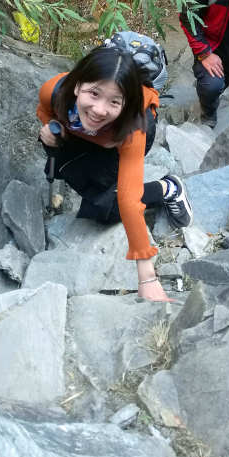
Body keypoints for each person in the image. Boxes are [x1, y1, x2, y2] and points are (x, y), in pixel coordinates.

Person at [37, 46, 193, 302]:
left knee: (106, 208)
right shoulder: (54, 91)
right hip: (83, 132)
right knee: (67, 162)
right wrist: (53, 133)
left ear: (126, 103)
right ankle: (95, 171)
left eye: (114, 101)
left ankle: (168, 188)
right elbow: (45, 113)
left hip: (117, 137)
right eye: (94, 93)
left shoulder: (134, 127)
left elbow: (130, 201)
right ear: (77, 86)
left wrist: (148, 280)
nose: (99, 109)